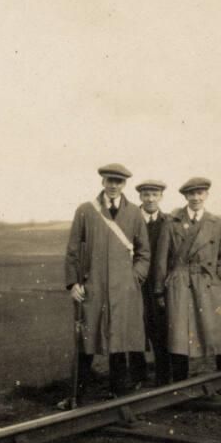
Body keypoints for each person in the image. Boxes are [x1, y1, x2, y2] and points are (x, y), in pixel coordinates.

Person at [62, 163, 150, 406]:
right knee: (86, 341)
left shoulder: (133, 213)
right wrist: (73, 284)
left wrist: (135, 278)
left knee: (119, 340)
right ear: (102, 181)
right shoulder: (86, 211)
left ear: (125, 184)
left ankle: (119, 396)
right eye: (110, 180)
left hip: (123, 290)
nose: (113, 185)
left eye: (118, 182)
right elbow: (72, 251)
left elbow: (144, 252)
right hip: (93, 287)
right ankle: (76, 397)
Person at [154, 177, 221, 382]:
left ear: (206, 195)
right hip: (180, 283)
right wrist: (160, 289)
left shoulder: (215, 222)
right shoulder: (172, 222)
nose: (196, 198)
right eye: (191, 194)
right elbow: (161, 260)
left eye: (200, 193)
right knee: (180, 333)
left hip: (209, 282)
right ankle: (180, 383)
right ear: (185, 196)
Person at [129, 180, 171, 387]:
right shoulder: (130, 220)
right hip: (135, 283)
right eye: (146, 195)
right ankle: (138, 376)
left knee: (161, 328)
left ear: (161, 196)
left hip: (160, 285)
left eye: (155, 194)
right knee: (135, 327)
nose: (150, 199)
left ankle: (163, 377)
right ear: (140, 197)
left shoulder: (169, 221)